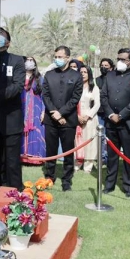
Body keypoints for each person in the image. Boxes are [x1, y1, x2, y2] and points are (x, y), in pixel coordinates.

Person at [100, 48, 130, 198]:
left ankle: (128, 187)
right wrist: (110, 114)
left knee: (129, 156)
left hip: (129, 123)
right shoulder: (110, 75)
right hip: (111, 123)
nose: (119, 61)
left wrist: (121, 115)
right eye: (118, 58)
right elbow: (104, 96)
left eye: (122, 59)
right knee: (112, 156)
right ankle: (109, 185)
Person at [42, 45, 83, 192]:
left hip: (68, 120)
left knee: (67, 151)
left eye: (60, 57)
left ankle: (67, 180)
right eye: (56, 57)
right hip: (50, 120)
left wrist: (62, 113)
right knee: (51, 151)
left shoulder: (76, 76)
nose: (57, 59)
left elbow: (75, 98)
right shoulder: (49, 74)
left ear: (68, 58)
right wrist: (54, 112)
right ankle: (49, 177)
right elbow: (45, 95)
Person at [0, 28, 25, 189]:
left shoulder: (17, 60)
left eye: (2, 37)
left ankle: (15, 191)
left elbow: (17, 86)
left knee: (12, 160)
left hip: (12, 118)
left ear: (8, 42)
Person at [21, 56, 46, 165]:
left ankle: (36, 158)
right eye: (27, 60)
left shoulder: (39, 79)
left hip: (36, 110)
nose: (29, 62)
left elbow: (44, 96)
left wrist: (43, 111)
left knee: (36, 131)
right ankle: (22, 156)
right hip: (22, 108)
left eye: (32, 60)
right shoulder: (19, 77)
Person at [76, 65, 100, 173]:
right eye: (81, 72)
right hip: (77, 117)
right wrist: (77, 116)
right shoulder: (75, 87)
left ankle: (88, 165)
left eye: (85, 72)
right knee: (77, 141)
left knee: (89, 141)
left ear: (89, 74)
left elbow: (97, 104)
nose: (83, 74)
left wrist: (88, 116)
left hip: (90, 118)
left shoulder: (94, 88)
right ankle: (77, 163)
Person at [95, 58, 114, 163]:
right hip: (100, 112)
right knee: (101, 136)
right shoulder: (97, 80)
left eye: (106, 65)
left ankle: (110, 157)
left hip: (111, 112)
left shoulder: (115, 78)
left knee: (110, 137)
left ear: (111, 67)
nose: (104, 67)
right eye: (102, 65)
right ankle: (102, 157)